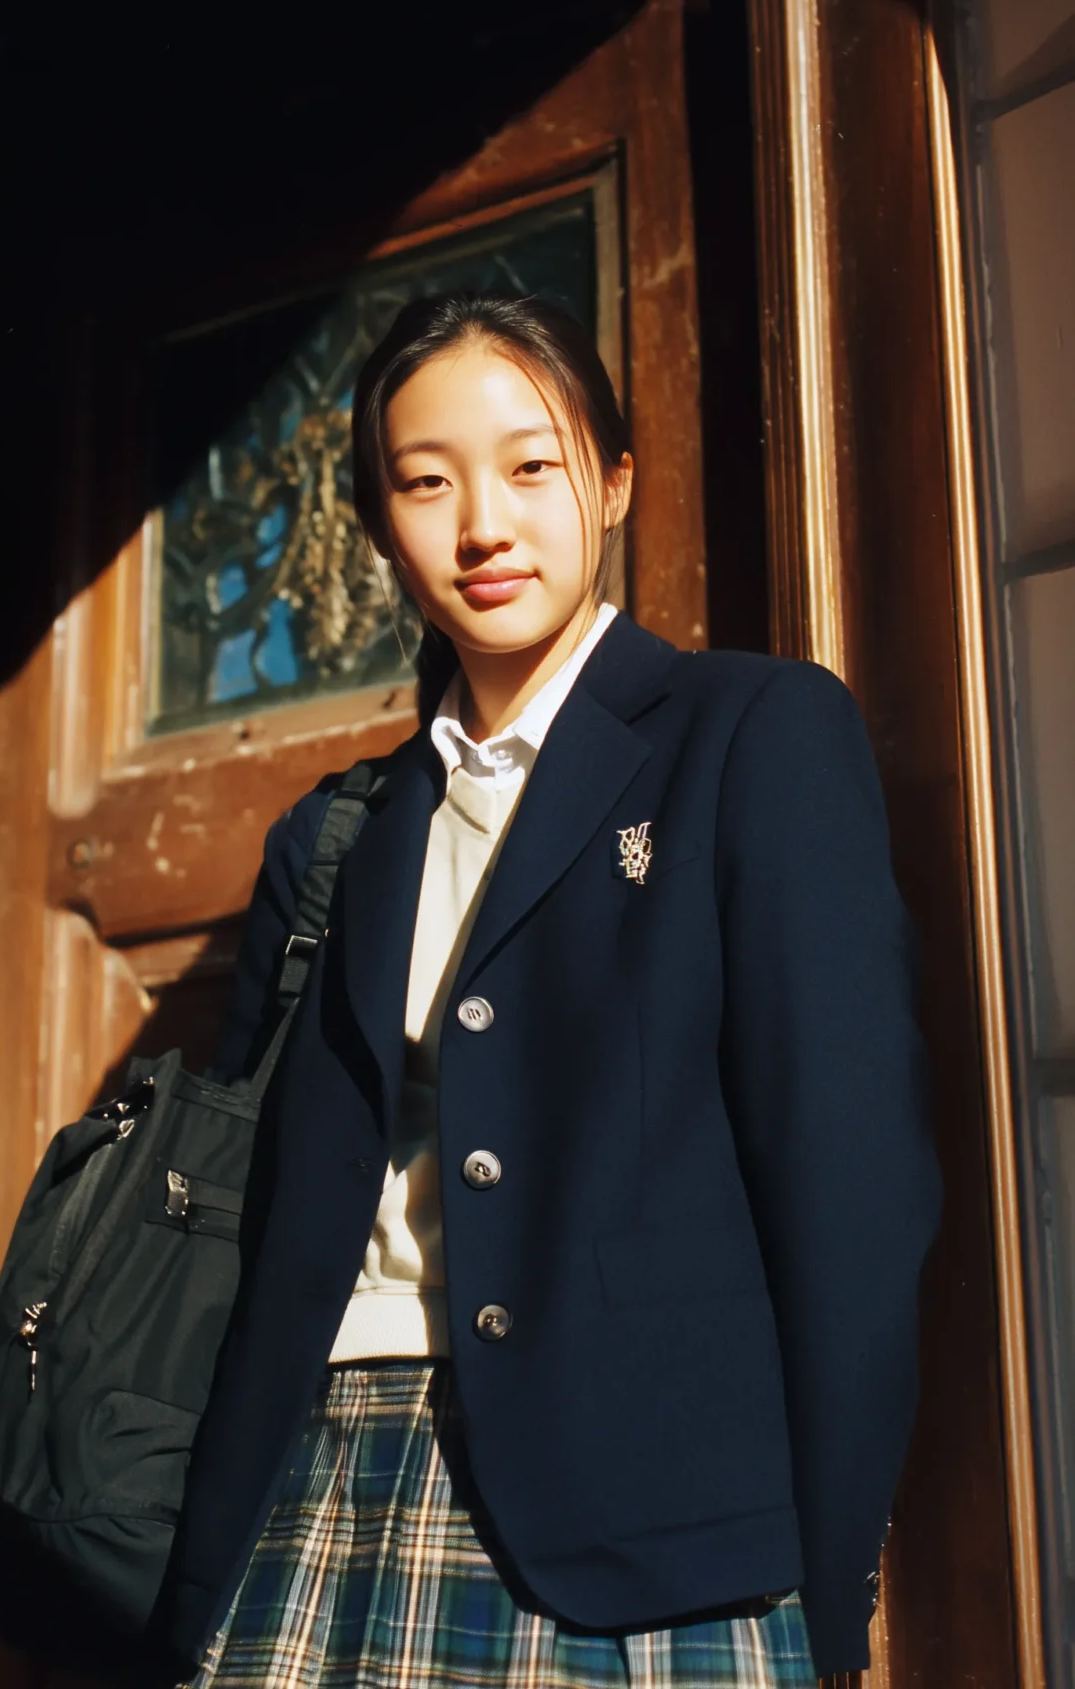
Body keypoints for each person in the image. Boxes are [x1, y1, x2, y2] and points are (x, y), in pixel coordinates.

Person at [160, 292, 942, 1688]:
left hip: (650, 1529)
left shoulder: (752, 738)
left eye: (531, 464)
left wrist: (832, 1584)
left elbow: (851, 1193)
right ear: (379, 520)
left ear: (617, 481)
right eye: (425, 480)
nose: (482, 524)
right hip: (320, 1488)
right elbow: (275, 1210)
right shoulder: (339, 836)